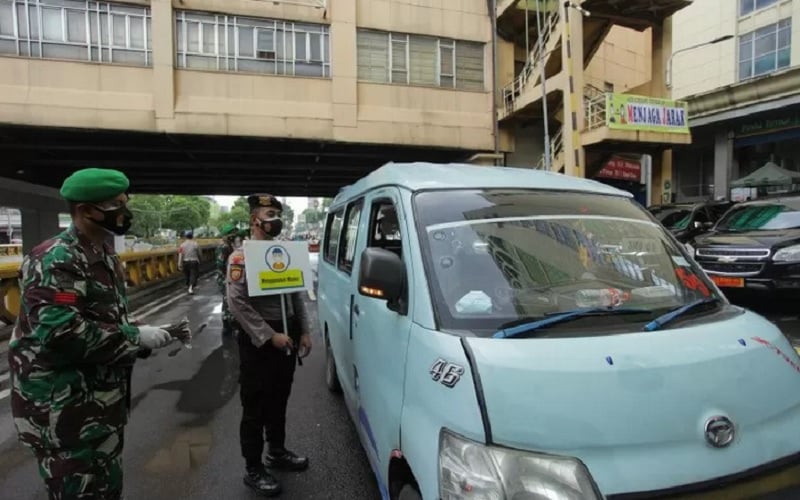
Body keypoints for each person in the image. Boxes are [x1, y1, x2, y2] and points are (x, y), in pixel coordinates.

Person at [8, 167, 179, 500]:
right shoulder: (56, 259)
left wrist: (137, 330)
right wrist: (134, 337)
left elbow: (103, 316)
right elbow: (60, 331)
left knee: (107, 489)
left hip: (99, 407)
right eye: (115, 206)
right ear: (85, 211)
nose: (124, 213)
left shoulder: (104, 253)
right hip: (63, 411)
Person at [226, 193, 312, 497]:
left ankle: (276, 451)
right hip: (259, 342)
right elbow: (237, 303)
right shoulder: (241, 257)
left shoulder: (285, 251)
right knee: (255, 406)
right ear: (255, 220)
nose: (276, 219)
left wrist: (304, 331)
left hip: (287, 335)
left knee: (279, 399)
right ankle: (253, 467)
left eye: (278, 213)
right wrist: (268, 335)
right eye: (270, 213)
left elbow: (297, 293)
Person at [215, 223, 240, 337]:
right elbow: (221, 264)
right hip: (225, 278)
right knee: (227, 300)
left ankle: (230, 323)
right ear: (226, 235)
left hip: (228, 277)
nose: (234, 235)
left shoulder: (230, 246)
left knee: (229, 300)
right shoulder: (224, 247)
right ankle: (228, 325)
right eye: (232, 233)